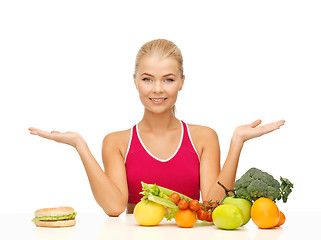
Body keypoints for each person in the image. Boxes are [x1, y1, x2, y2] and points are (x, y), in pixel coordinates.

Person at [28, 39, 285, 216]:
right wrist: (80, 146)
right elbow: (115, 208)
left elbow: (212, 204)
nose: (158, 89)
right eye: (147, 79)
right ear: (135, 81)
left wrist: (237, 141)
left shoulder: (204, 137)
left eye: (169, 79)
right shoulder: (116, 142)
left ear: (182, 82)